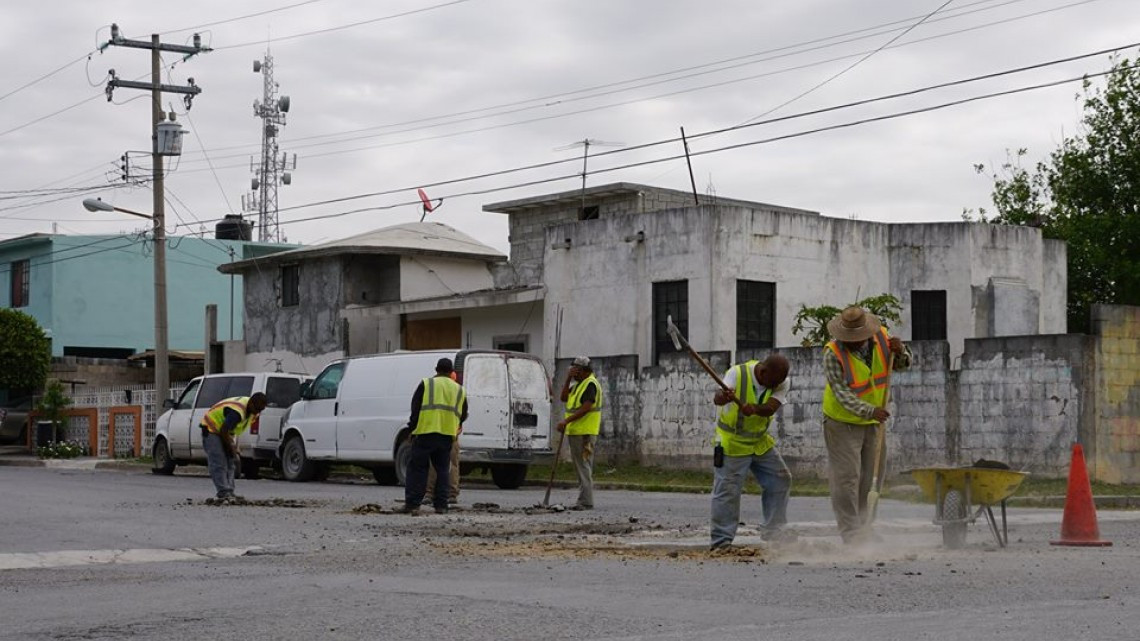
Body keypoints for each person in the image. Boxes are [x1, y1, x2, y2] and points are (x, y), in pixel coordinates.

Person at [821, 305, 911, 544]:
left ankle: (866, 527)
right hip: (842, 422)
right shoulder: (832, 353)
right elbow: (841, 393)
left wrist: (901, 351)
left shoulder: (882, 338)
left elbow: (902, 364)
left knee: (872, 477)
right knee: (847, 478)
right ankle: (851, 533)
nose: (851, 342)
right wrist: (870, 410)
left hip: (874, 421)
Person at [710, 353, 792, 549]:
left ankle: (774, 532)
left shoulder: (782, 381)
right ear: (763, 372)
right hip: (733, 443)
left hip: (759, 442)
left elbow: (771, 407)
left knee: (780, 478)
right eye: (772, 382)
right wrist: (725, 396)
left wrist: (754, 409)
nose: (775, 387)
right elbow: (717, 399)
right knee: (727, 491)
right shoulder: (736, 374)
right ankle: (721, 542)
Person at [403, 358, 468, 515]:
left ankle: (413, 504)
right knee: (442, 470)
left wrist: (412, 429)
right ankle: (441, 505)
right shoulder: (459, 390)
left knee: (417, 468)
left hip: (425, 432)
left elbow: (416, 409)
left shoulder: (426, 384)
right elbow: (463, 414)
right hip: (446, 435)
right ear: (451, 371)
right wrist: (453, 425)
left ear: (436, 369)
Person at [200, 393, 268, 503]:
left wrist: (235, 448)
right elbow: (224, 430)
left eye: (260, 410)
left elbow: (235, 429)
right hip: (211, 428)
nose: (257, 412)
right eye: (256, 409)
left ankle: (229, 491)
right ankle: (223, 492)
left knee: (231, 460)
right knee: (219, 461)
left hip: (225, 431)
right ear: (251, 403)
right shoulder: (236, 412)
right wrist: (231, 448)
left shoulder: (253, 411)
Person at [556, 356, 603, 510]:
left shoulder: (590, 384)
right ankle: (584, 499)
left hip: (585, 433)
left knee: (583, 466)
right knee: (581, 466)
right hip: (577, 431)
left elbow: (586, 407)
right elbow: (563, 398)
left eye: (575, 370)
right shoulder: (578, 385)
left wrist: (566, 421)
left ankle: (586, 501)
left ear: (582, 370)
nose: (573, 372)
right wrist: (568, 377)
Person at [426, 370, 462, 505]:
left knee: (434, 463)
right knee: (453, 463)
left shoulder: (433, 387)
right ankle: (452, 494)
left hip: (436, 430)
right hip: (453, 431)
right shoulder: (457, 390)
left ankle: (429, 493)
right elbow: (463, 412)